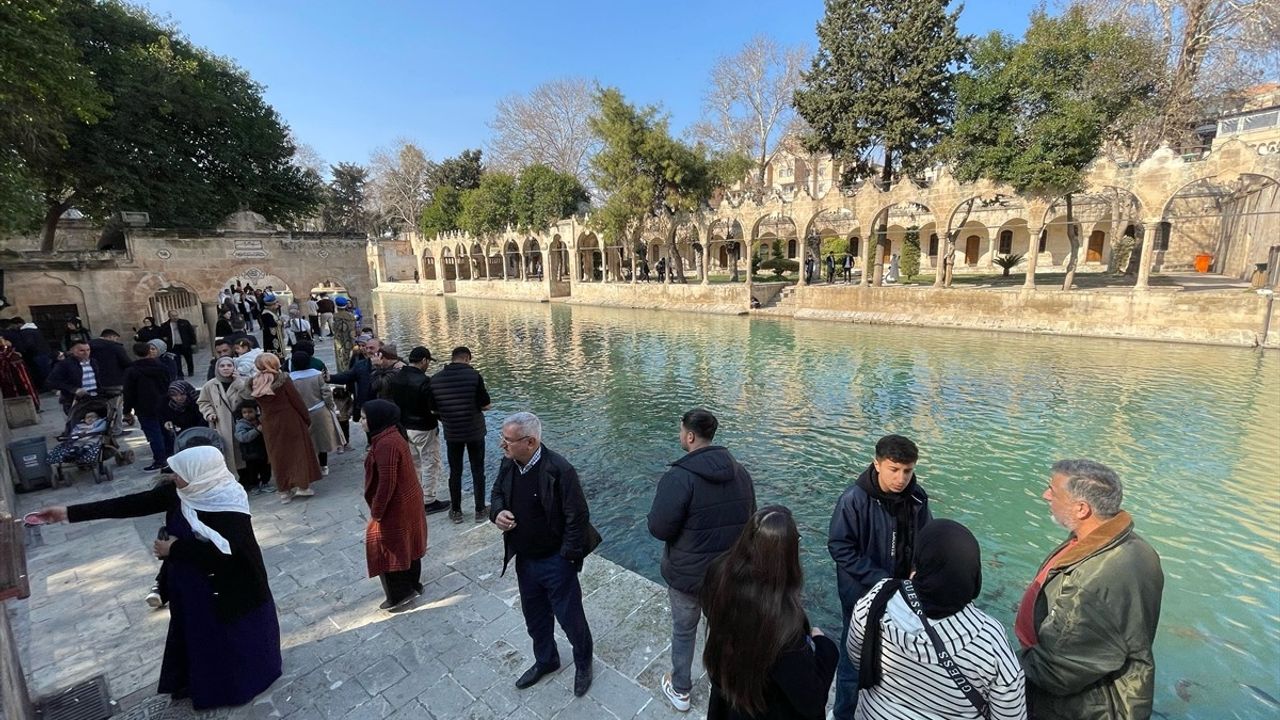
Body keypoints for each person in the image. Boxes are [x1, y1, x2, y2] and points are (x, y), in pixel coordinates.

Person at [30, 446, 283, 710]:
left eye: (179, 473)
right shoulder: (180, 493)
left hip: (228, 591)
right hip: (190, 588)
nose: (173, 477)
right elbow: (129, 504)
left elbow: (230, 556)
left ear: (200, 474)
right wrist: (68, 513)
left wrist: (174, 549)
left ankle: (232, 688)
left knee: (226, 644)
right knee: (196, 639)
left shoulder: (226, 503)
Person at [1017, 460, 1164, 720]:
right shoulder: (1135, 546)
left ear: (1082, 509)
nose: (1046, 495)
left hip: (1085, 708)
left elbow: (1058, 670)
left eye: (1053, 490)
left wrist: (999, 668)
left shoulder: (1093, 579)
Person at [850, 519, 1027, 719]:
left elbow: (857, 655)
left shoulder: (880, 596)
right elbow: (1010, 713)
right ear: (973, 572)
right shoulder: (987, 637)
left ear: (920, 560)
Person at [647, 408, 756, 712]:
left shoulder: (679, 477)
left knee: (684, 630)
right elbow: (751, 521)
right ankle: (724, 683)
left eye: (681, 430)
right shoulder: (741, 472)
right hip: (727, 573)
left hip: (687, 576)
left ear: (690, 435)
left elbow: (658, 528)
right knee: (722, 630)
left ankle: (681, 689)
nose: (680, 435)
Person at [490, 412, 600, 698]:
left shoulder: (560, 470)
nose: (502, 445)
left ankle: (584, 662)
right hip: (525, 560)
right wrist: (497, 513)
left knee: (570, 617)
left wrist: (567, 557)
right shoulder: (509, 463)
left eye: (508, 440)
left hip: (555, 560)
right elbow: (497, 493)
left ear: (530, 442)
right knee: (535, 617)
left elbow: (577, 517)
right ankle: (546, 659)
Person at [827, 434, 933, 719]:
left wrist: (918, 567)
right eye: (894, 469)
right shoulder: (854, 500)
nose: (901, 478)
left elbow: (927, 538)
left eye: (908, 471)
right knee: (851, 663)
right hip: (861, 595)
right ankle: (844, 714)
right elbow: (839, 546)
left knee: (895, 659)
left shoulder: (917, 497)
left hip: (901, 594)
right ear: (877, 464)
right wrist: (879, 578)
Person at [702, 506, 837, 720]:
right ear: (788, 555)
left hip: (729, 701)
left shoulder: (717, 574)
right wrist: (824, 647)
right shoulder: (784, 625)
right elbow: (811, 701)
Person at [360, 399, 428, 612]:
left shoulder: (386, 444)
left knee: (385, 545)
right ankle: (413, 584)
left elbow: (386, 483)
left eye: (363, 418)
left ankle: (399, 594)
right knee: (410, 540)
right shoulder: (392, 435)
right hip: (408, 499)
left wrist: (377, 512)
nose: (361, 422)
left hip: (397, 504)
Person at [243, 353, 322, 503]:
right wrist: (305, 417)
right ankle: (302, 486)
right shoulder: (282, 379)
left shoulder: (254, 382)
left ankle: (284, 491)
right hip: (289, 418)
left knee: (277, 456)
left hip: (269, 422)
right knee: (297, 452)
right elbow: (296, 399)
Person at [431, 346, 492, 524]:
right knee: (478, 470)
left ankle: (456, 511)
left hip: (453, 432)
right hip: (475, 431)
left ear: (452, 358)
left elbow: (433, 408)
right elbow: (486, 405)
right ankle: (480, 510)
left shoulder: (435, 379)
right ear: (467, 358)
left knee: (455, 471)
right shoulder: (474, 376)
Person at [388, 346, 449, 514]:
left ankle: (414, 495)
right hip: (424, 428)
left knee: (413, 464)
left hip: (404, 426)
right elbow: (433, 408)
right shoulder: (424, 381)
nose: (428, 365)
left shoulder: (396, 378)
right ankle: (428, 500)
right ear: (423, 360)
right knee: (430, 463)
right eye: (428, 361)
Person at [125, 342, 176, 471]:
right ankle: (172, 456)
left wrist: (127, 410)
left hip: (144, 407)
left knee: (154, 434)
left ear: (135, 354)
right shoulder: (163, 367)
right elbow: (168, 385)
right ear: (149, 351)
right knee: (166, 431)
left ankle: (160, 460)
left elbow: (129, 392)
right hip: (163, 404)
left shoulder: (132, 371)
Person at [287, 351, 340, 476]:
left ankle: (311, 466)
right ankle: (324, 466)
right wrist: (331, 406)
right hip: (319, 411)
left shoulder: (290, 378)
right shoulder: (316, 375)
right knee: (321, 440)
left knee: (307, 441)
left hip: (300, 413)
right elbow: (326, 393)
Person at [198, 357, 247, 477]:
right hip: (221, 423)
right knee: (227, 452)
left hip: (242, 422)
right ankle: (232, 478)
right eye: (222, 366)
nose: (226, 368)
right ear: (217, 368)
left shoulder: (243, 381)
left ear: (234, 367)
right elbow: (203, 402)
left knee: (243, 452)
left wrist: (238, 383)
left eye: (229, 366)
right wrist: (209, 413)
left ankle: (248, 479)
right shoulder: (210, 385)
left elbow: (250, 397)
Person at [90, 329, 132, 434]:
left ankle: (100, 428)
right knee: (116, 407)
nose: (116, 340)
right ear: (111, 337)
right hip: (114, 381)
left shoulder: (88, 346)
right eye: (116, 338)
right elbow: (126, 363)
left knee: (100, 406)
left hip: (94, 381)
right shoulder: (115, 347)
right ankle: (116, 430)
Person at [45, 339, 99, 417]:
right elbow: (51, 382)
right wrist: (73, 389)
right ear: (72, 351)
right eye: (82, 351)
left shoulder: (93, 362)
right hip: (74, 400)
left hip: (95, 398)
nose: (86, 353)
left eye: (88, 350)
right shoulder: (65, 364)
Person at [233, 400, 272, 494]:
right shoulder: (241, 425)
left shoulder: (260, 420)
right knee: (252, 471)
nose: (247, 414)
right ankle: (254, 486)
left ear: (256, 411)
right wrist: (256, 431)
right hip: (250, 453)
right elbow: (242, 437)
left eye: (250, 412)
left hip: (263, 451)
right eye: (244, 412)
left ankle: (265, 483)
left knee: (266, 468)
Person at [0, 335, 40, 410]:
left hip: (16, 376)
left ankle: (31, 406)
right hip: (10, 378)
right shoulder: (9, 355)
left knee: (23, 386)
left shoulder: (13, 355)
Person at [162, 310, 197, 377]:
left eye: (176, 315)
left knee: (189, 358)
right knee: (177, 360)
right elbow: (163, 334)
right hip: (174, 345)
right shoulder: (165, 325)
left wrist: (193, 343)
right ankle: (180, 373)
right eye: (173, 316)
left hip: (185, 344)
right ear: (169, 316)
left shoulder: (184, 322)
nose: (175, 317)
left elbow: (191, 333)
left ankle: (190, 371)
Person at [331, 296, 357, 372]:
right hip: (349, 339)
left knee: (340, 357)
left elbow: (334, 329)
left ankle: (341, 372)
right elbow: (352, 330)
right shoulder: (351, 316)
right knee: (350, 357)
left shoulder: (335, 316)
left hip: (338, 340)